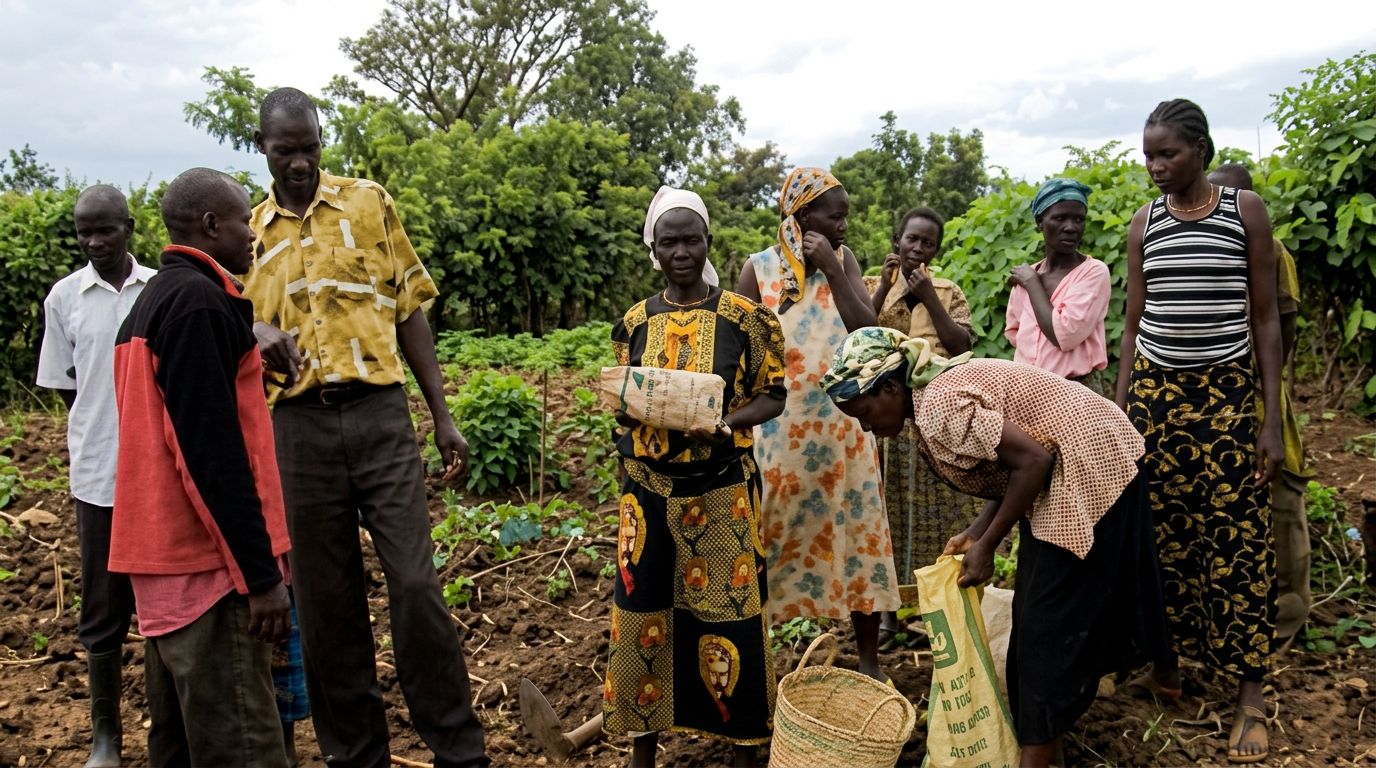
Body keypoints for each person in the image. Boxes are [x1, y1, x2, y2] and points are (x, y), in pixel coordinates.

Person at [244, 87, 487, 768]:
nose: (300, 162)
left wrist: (441, 415)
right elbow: (227, 321)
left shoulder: (366, 202)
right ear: (262, 147)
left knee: (416, 586)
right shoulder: (248, 232)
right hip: (297, 430)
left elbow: (409, 308)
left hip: (380, 416)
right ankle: (356, 757)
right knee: (327, 609)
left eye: (310, 147)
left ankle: (460, 752)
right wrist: (253, 328)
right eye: (286, 150)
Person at [819, 327, 1166, 768]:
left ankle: (1038, 755)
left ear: (889, 387)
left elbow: (1034, 460)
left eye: (865, 412)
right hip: (1066, 464)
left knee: (1047, 630)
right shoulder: (928, 399)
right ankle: (1048, 751)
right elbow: (1014, 464)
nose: (866, 426)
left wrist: (988, 546)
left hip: (1091, 464)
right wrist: (976, 533)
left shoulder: (939, 404)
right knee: (1034, 622)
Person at [1116, 99, 1284, 764]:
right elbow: (1133, 324)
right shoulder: (1145, 222)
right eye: (1149, 155)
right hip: (1157, 398)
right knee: (1163, 536)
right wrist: (1121, 413)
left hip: (1226, 399)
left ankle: (1249, 694)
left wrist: (1271, 420)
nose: (1156, 166)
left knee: (1239, 535)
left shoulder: (1244, 212)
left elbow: (1265, 318)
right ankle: (1168, 669)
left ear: (1201, 151)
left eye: (1168, 153)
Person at [110, 167, 293, 766]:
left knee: (182, 746)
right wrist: (259, 577)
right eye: (244, 221)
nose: (253, 234)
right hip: (210, 575)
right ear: (212, 225)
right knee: (242, 747)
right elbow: (210, 458)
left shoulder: (150, 304)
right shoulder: (197, 305)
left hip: (168, 572)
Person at [736, 167, 899, 681]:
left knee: (859, 538)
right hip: (780, 432)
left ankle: (868, 661)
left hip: (846, 427)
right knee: (774, 536)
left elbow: (868, 331)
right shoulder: (758, 271)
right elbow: (738, 352)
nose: (844, 225)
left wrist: (831, 266)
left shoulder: (843, 261)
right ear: (805, 216)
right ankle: (759, 664)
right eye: (836, 216)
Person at [36, 185, 156, 768]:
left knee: (165, 600)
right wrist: (104, 427)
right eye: (85, 232)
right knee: (103, 605)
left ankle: (170, 729)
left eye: (105, 230)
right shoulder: (65, 298)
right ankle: (106, 737)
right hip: (98, 474)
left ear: (128, 228)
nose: (95, 241)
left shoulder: (158, 288)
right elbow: (69, 388)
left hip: (157, 473)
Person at [862, 206, 979, 644]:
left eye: (928, 243)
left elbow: (961, 345)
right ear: (898, 241)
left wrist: (928, 295)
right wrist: (884, 288)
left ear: (936, 251)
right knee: (885, 518)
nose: (918, 248)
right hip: (885, 425)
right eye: (912, 239)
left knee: (936, 519)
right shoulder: (872, 284)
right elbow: (858, 333)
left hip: (934, 419)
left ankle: (933, 615)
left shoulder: (947, 292)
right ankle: (888, 616)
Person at [1209, 162, 1313, 650]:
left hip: (1255, 390)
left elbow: (1282, 324)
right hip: (1215, 394)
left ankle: (1288, 615)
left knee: (1282, 494)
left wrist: (1263, 387)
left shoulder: (1271, 250)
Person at [1005, 178, 1112, 392]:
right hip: (1026, 388)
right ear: (1040, 222)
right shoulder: (1027, 274)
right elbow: (1014, 332)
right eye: (1060, 218)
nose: (1071, 227)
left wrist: (1032, 283)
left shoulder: (1093, 272)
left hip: (1076, 390)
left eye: (1079, 219)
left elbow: (1064, 335)